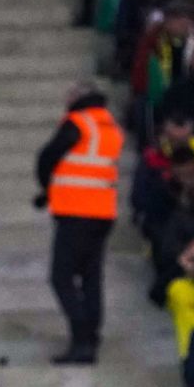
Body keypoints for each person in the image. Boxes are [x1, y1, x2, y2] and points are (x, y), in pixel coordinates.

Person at [36, 82, 122, 365]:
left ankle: (81, 338)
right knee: (90, 277)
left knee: (61, 277)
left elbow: (49, 156)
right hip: (103, 211)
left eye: (69, 96)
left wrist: (46, 187)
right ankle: (92, 334)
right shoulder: (109, 124)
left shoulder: (78, 122)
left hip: (75, 210)